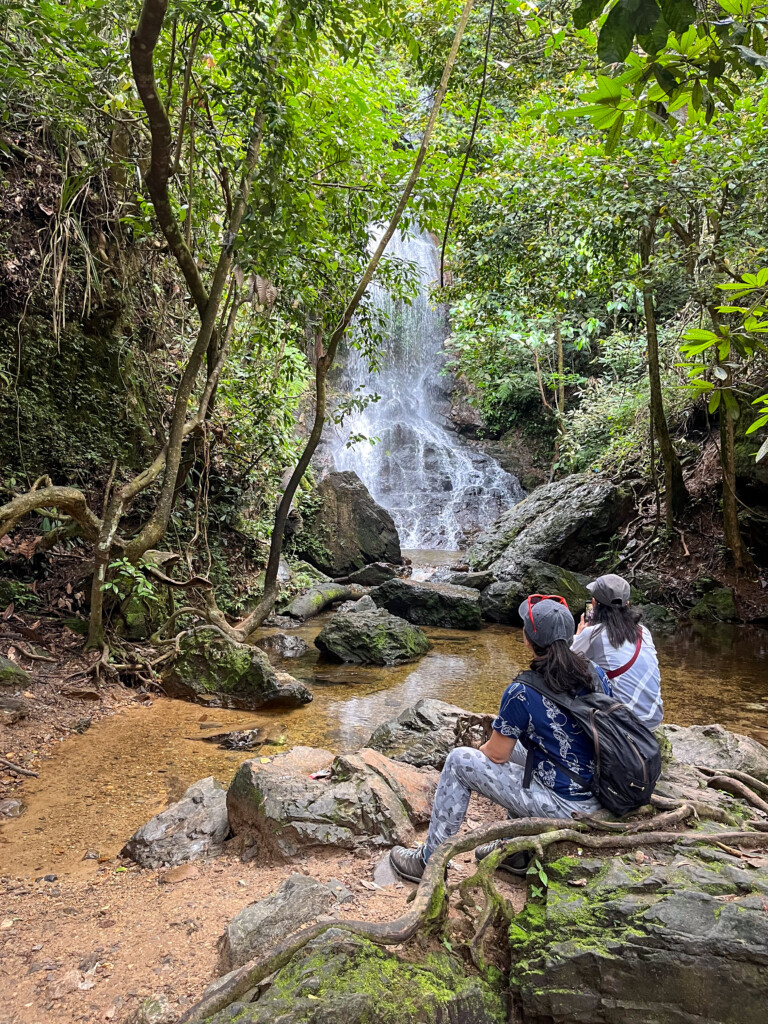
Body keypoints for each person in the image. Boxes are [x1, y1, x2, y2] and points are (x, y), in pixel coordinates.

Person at [389, 596, 611, 883]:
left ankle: (429, 861)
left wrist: (482, 751)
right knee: (522, 751)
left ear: (528, 639)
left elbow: (496, 755)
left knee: (459, 762)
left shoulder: (522, 691)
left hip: (565, 806)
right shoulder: (596, 673)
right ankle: (514, 852)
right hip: (599, 793)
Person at [571, 573, 663, 730]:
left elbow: (567, 661)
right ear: (627, 604)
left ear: (594, 603)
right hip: (653, 719)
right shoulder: (643, 631)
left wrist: (578, 635)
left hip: (625, 725)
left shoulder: (592, 633)